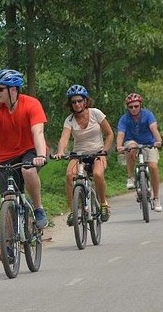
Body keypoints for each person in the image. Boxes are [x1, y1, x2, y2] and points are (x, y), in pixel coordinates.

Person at [0, 69, 48, 229]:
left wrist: (40, 155)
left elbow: (38, 131)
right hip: (6, 157)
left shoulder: (32, 104)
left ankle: (39, 208)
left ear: (13, 90)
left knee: (28, 170)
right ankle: (9, 246)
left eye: (0, 89)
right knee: (8, 199)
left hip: (31, 151)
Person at [54, 84, 114, 226]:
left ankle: (103, 203)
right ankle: (74, 211)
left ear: (85, 101)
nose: (77, 104)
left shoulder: (96, 113)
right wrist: (61, 151)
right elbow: (64, 138)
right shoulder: (69, 120)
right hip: (79, 154)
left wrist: (104, 150)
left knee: (98, 174)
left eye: (80, 100)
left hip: (97, 152)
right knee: (69, 175)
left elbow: (110, 134)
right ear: (70, 104)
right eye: (74, 102)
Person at [116, 92, 163, 212]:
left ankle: (156, 198)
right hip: (132, 142)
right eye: (131, 107)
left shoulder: (148, 115)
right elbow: (121, 134)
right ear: (127, 107)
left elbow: (154, 129)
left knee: (153, 166)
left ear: (140, 105)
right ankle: (130, 177)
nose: (134, 109)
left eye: (136, 106)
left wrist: (158, 141)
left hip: (149, 143)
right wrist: (119, 146)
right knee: (131, 148)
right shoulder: (124, 119)